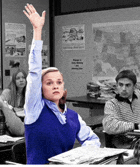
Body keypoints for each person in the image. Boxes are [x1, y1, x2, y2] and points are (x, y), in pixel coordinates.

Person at [23, 3, 101, 164]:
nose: (55, 86)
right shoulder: (34, 110)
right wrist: (37, 31)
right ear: (40, 88)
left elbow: (93, 140)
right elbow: (34, 72)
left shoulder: (72, 116)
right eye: (49, 83)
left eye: (59, 82)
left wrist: (83, 155)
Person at [102, 70, 140, 148]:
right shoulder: (111, 104)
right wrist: (138, 126)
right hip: (126, 141)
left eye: (128, 85)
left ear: (134, 87)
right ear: (116, 85)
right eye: (120, 85)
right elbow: (109, 125)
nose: (123, 89)